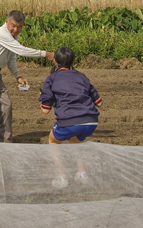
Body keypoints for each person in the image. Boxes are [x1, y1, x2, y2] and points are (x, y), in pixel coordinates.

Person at [0, 10, 55, 143]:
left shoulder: (13, 36)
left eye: (20, 26)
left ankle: (6, 142)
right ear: (6, 22)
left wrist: (18, 77)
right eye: (13, 25)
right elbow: (21, 50)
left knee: (6, 107)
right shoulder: (2, 33)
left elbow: (11, 59)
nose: (16, 29)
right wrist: (46, 54)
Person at [38, 46, 103, 187]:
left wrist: (43, 99)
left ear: (55, 60)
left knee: (53, 141)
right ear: (73, 61)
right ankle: (82, 174)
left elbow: (45, 110)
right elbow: (99, 103)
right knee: (74, 140)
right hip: (91, 122)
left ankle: (62, 177)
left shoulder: (51, 78)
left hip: (69, 121)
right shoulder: (82, 77)